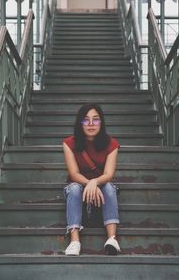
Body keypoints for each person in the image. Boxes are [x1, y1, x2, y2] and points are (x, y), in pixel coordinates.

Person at [63, 103, 121, 256]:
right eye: (86, 120)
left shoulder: (112, 144)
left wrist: (95, 182)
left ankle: (112, 239)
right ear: (80, 123)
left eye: (95, 120)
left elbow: (108, 174)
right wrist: (89, 183)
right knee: (74, 188)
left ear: (101, 123)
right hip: (78, 186)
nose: (90, 124)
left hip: (102, 186)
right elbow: (74, 173)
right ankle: (74, 240)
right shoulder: (69, 143)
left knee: (109, 187)